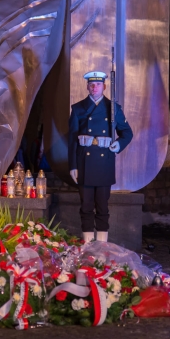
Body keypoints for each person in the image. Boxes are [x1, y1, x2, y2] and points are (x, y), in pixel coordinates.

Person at [68, 71, 133, 243]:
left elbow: (127, 133)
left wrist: (117, 144)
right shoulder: (77, 108)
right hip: (84, 163)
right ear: (87, 86)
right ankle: (88, 246)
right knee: (86, 206)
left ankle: (102, 246)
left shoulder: (113, 108)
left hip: (104, 162)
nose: (94, 87)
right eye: (91, 84)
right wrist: (73, 166)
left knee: (103, 206)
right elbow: (72, 139)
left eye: (98, 84)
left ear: (104, 87)